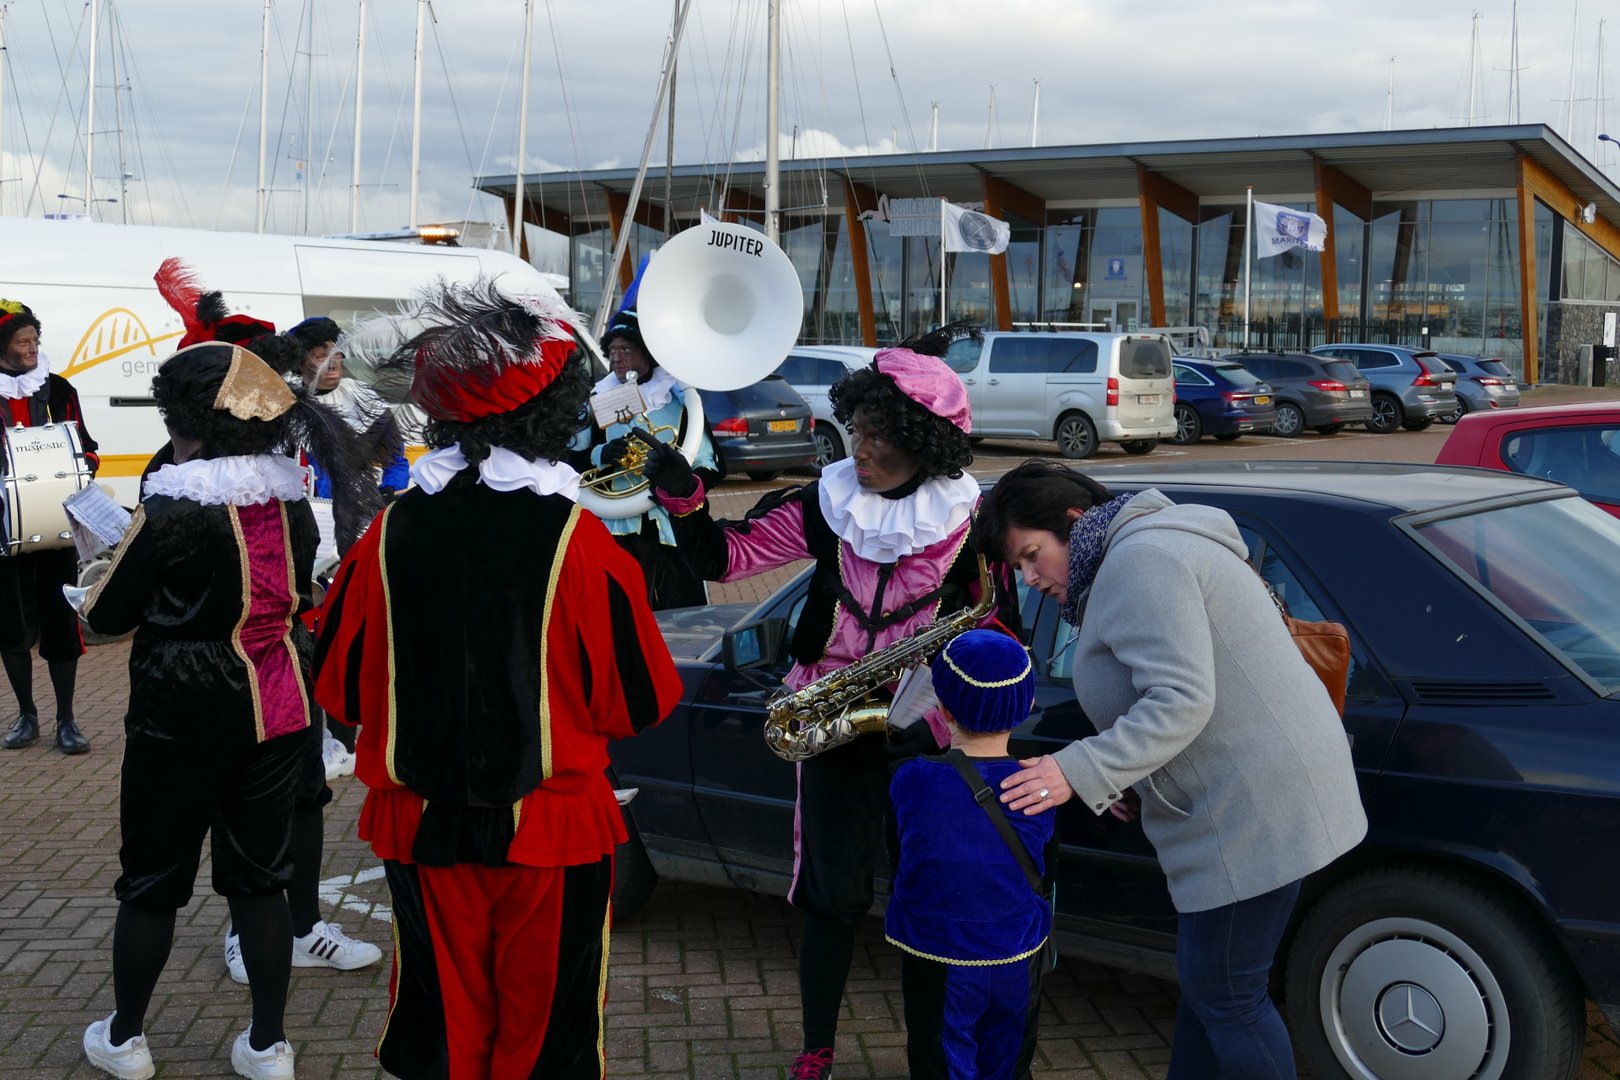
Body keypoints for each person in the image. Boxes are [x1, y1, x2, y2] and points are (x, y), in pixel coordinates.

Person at [311, 279, 685, 1080]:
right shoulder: (583, 544)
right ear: (554, 412)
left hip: (421, 822)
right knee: (546, 1032)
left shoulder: (386, 536)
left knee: (446, 1026)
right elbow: (640, 702)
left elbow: (338, 690)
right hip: (550, 826)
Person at [631, 324, 1019, 1080]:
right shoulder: (828, 502)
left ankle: (931, 1055)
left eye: (878, 437)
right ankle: (816, 1047)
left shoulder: (972, 521)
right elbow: (726, 558)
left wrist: (946, 716)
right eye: (857, 430)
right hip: (832, 721)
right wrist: (683, 496)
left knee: (927, 897)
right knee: (830, 897)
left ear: (923, 444)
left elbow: (995, 628)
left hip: (929, 732)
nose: (858, 449)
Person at [977, 461, 1368, 1080]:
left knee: (1228, 997)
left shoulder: (1140, 561)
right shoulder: (1153, 544)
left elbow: (1182, 699)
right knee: (1213, 990)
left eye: (1031, 555)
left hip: (1250, 814)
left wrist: (1076, 769)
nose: (1029, 578)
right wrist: (1129, 773)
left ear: (1073, 522)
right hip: (1262, 798)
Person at [77, 335, 370, 1080]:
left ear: (183, 419)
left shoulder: (170, 506)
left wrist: (95, 569)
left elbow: (107, 616)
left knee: (152, 882)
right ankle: (268, 1046)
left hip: (179, 711)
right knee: (261, 882)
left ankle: (125, 1039)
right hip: (277, 704)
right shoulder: (290, 497)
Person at [885, 629, 1055, 1080]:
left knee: (940, 1064)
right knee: (1010, 1065)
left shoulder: (909, 778)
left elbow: (899, 859)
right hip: (1016, 953)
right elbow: (1045, 870)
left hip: (937, 956)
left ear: (942, 710)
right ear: (1026, 706)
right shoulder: (1040, 785)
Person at [285, 314, 406, 779]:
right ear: (302, 361)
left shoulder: (365, 399)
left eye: (335, 355)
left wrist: (388, 493)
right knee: (307, 633)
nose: (332, 364)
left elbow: (395, 458)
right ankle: (311, 729)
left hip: (355, 529)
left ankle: (345, 733)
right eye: (320, 357)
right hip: (303, 531)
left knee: (351, 630)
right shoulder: (286, 404)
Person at [0, 299, 100, 755]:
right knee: (10, 627)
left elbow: (88, 447)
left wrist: (83, 467)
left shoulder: (58, 390)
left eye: (35, 340)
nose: (32, 349)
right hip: (4, 532)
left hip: (57, 531)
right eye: (23, 342)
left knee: (61, 624)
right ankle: (26, 714)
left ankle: (66, 719)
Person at [581, 307, 718, 610]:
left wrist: (680, 487)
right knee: (625, 610)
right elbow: (577, 458)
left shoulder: (678, 405)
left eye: (626, 350)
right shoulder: (601, 400)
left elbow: (707, 462)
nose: (616, 358)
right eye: (612, 351)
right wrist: (603, 453)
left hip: (672, 525)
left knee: (684, 612)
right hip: (621, 527)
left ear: (646, 353)